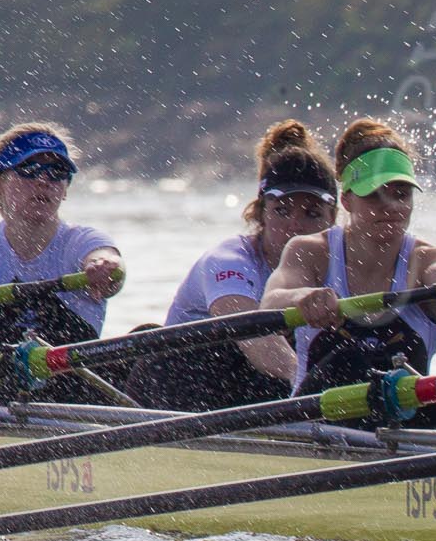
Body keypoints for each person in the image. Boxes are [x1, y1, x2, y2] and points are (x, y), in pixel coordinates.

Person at [262, 118, 436, 403]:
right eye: (374, 195)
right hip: (320, 425)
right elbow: (271, 301)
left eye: (401, 194)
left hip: (405, 428)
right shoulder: (311, 251)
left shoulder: (424, 258)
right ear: (346, 200)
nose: (392, 206)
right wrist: (304, 298)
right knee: (355, 358)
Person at [124, 121, 339, 411]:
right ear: (262, 213)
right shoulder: (228, 260)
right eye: (282, 211)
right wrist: (303, 380)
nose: (295, 226)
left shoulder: (342, 267)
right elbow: (251, 335)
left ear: (333, 219)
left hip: (248, 395)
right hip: (178, 387)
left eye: (312, 214)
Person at [0, 124, 127, 404]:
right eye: (29, 170)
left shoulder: (82, 240)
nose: (44, 181)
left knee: (145, 336)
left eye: (57, 174)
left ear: (66, 190)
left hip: (70, 387)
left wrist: (104, 269)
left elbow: (109, 263)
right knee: (2, 318)